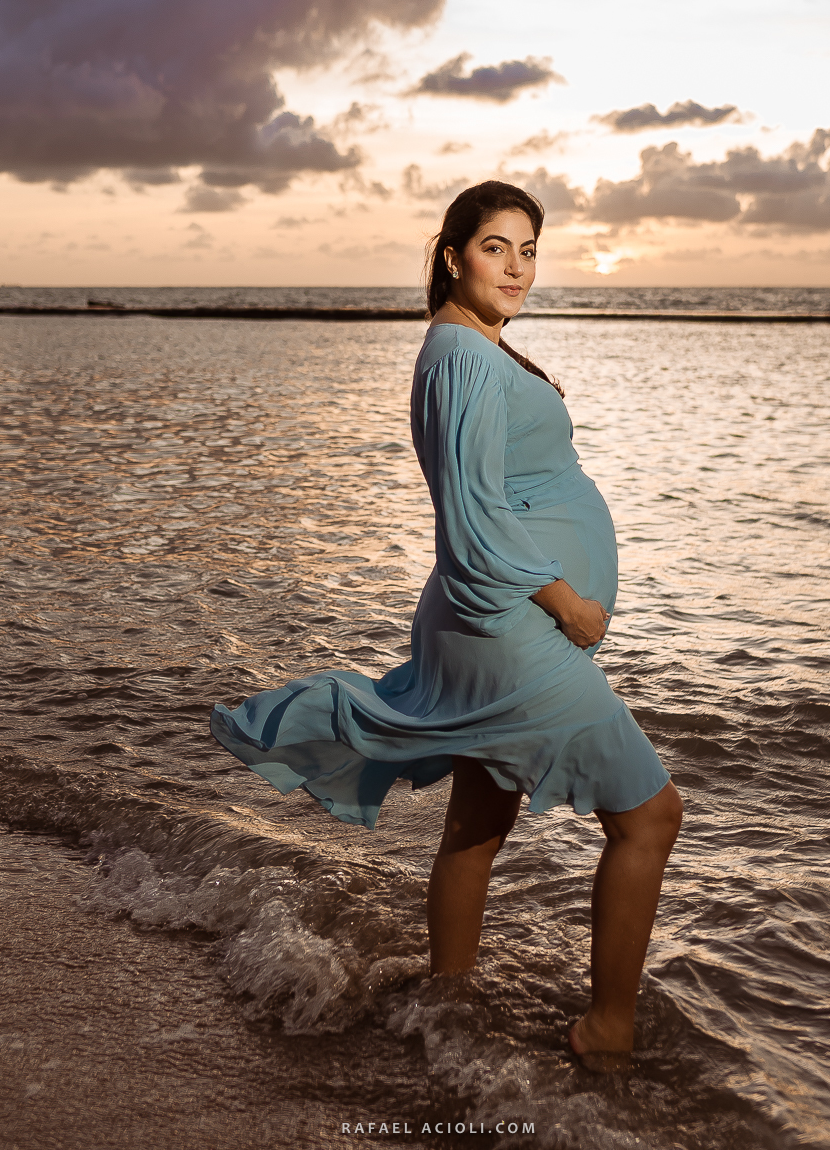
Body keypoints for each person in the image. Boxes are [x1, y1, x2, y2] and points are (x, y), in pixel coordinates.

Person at [211, 180, 682, 1060]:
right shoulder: (462, 355)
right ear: (451, 254)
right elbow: (470, 517)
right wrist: (568, 601)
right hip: (506, 623)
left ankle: (446, 1006)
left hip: (492, 623)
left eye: (529, 249)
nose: (516, 266)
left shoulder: (471, 347)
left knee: (476, 824)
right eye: (496, 246)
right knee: (650, 817)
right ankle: (606, 1029)